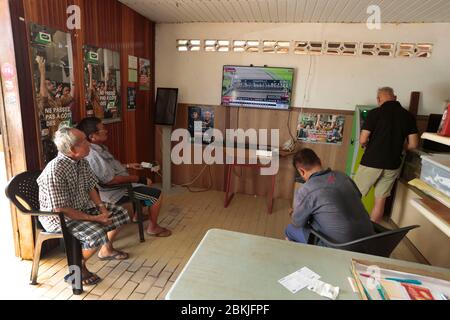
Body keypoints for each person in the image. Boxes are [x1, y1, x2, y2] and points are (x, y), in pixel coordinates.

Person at [37, 127, 131, 286]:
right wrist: (96, 219)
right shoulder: (55, 170)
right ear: (73, 149)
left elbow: (91, 187)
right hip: (59, 218)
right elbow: (61, 209)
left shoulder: (81, 161)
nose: (88, 143)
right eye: (84, 141)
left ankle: (89, 257)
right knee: (97, 231)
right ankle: (78, 267)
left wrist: (102, 210)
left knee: (121, 212)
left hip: (81, 208)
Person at [77, 117, 172, 237]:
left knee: (147, 185)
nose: (106, 131)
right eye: (103, 129)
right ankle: (153, 227)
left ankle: (139, 215)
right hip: (117, 191)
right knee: (156, 195)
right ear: (92, 136)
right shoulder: (93, 155)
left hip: (120, 186)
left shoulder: (99, 148)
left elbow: (108, 169)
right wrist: (138, 179)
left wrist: (128, 165)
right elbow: (111, 180)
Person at [353, 87, 419, 223]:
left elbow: (363, 139)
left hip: (371, 161)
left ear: (378, 99)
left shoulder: (375, 113)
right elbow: (413, 144)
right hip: (392, 164)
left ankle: (351, 227)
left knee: (353, 195)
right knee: (380, 200)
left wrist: (367, 146)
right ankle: (371, 232)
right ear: (395, 97)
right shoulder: (408, 116)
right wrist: (401, 146)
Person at [285, 148, 375, 245]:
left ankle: (309, 256)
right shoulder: (343, 176)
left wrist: (293, 213)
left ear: (301, 171)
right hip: (371, 241)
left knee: (290, 229)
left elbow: (297, 222)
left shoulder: (307, 189)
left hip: (342, 249)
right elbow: (358, 196)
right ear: (319, 160)